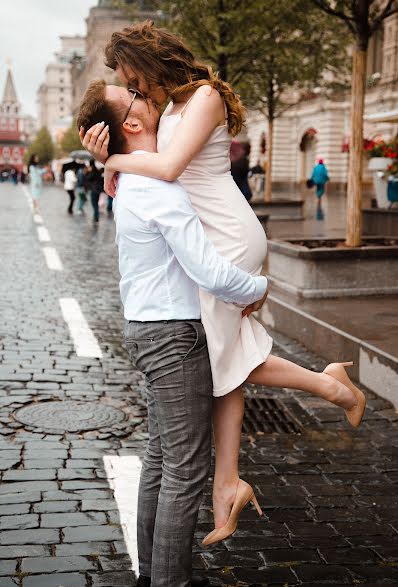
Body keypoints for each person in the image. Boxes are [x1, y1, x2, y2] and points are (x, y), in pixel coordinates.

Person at [80, 20, 366, 549]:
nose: (133, 89)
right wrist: (116, 162)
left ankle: (312, 400)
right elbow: (154, 162)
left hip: (228, 234)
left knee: (225, 357)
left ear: (150, 61)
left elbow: (166, 167)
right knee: (225, 358)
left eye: (131, 77)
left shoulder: (204, 96)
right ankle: (230, 479)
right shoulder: (168, 109)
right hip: (210, 231)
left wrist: (110, 161)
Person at [77, 80, 268, 587]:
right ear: (133, 124)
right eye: (135, 95)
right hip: (174, 335)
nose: (147, 95)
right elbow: (207, 270)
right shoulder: (157, 188)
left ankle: (153, 578)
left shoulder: (135, 182)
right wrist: (259, 287)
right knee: (186, 468)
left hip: (148, 327)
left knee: (163, 457)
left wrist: (109, 165)